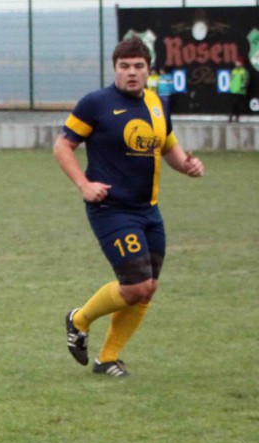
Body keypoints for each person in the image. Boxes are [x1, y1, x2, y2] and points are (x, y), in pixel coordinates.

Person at [55, 37, 204, 378]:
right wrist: (84, 184)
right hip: (111, 209)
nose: (131, 73)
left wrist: (187, 166)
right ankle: (79, 320)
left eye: (138, 66)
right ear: (115, 69)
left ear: (149, 70)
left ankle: (108, 358)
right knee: (135, 285)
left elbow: (168, 147)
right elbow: (62, 146)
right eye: (124, 67)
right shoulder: (96, 103)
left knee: (148, 287)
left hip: (148, 210)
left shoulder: (156, 104)